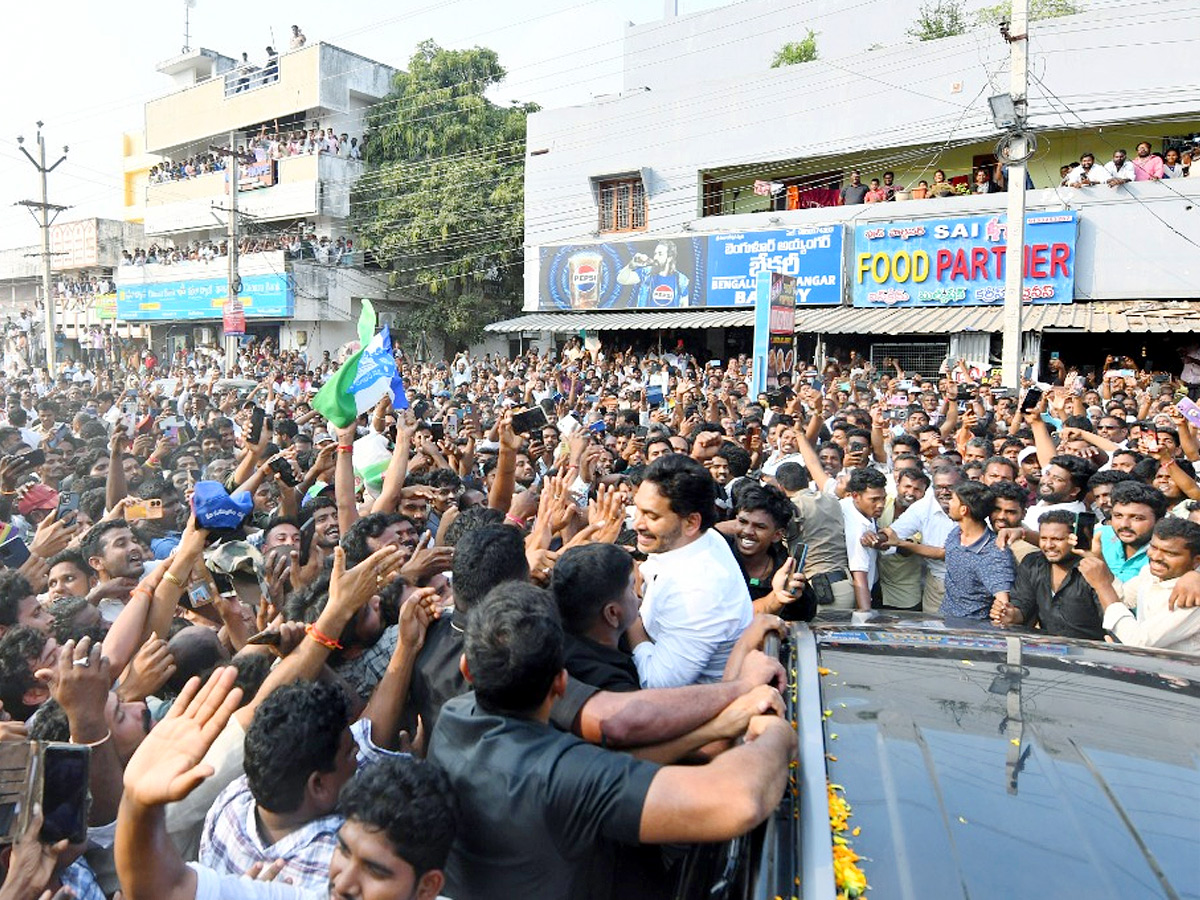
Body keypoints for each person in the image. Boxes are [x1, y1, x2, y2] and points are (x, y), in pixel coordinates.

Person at [428, 582, 795, 900]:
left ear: (467, 670)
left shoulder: (452, 718)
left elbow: (616, 763)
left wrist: (717, 726)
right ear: (561, 683)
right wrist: (777, 734)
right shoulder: (564, 774)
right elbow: (738, 800)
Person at [114, 668, 458, 900]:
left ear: (427, 889)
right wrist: (137, 803)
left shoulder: (233, 798)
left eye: (375, 870)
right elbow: (164, 889)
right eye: (344, 850)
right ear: (319, 785)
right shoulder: (288, 884)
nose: (342, 882)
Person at [627, 455, 752, 687]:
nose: (637, 524)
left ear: (691, 523)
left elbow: (656, 684)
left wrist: (629, 616)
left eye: (651, 516)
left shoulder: (698, 591)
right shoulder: (700, 538)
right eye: (638, 510)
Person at [1086, 517, 1200, 653]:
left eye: (1170, 553)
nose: (1156, 556)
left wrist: (1102, 586)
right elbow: (1123, 598)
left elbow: (1139, 641)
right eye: (1153, 547)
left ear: (1196, 560)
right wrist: (1098, 559)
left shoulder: (1192, 593)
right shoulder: (1150, 572)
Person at [991, 510, 1104, 639]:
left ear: (1073, 539)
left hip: (1092, 651)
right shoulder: (1032, 563)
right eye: (1044, 539)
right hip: (1048, 649)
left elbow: (1109, 613)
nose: (1049, 545)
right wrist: (1010, 614)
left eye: (1057, 539)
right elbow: (1023, 605)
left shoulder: (1091, 569)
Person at [550, 543, 640, 692]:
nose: (638, 596)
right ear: (612, 613)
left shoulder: (553, 640)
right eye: (632, 587)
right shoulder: (613, 686)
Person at [941, 481, 1013, 620]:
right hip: (945, 620)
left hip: (973, 631)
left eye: (953, 500)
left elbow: (1003, 604)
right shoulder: (955, 534)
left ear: (964, 510)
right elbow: (943, 553)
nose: (949, 503)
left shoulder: (994, 554)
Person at [840, 468, 887, 610]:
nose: (881, 505)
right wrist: (865, 617)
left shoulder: (851, 505)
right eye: (874, 499)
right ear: (856, 496)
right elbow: (859, 579)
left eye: (883, 498)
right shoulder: (857, 527)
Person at [616, 241, 690, 309]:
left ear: (669, 258)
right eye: (655, 254)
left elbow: (684, 306)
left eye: (660, 254)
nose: (655, 257)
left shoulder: (681, 280)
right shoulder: (646, 273)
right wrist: (631, 265)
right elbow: (622, 280)